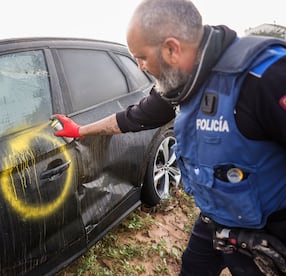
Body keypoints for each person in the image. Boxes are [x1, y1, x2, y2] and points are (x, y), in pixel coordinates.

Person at [51, 0, 286, 274]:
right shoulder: (179, 83)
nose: (139, 66)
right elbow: (131, 118)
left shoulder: (265, 78)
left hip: (267, 234)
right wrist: (79, 130)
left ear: (172, 49)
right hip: (214, 220)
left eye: (142, 57)